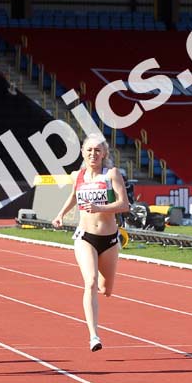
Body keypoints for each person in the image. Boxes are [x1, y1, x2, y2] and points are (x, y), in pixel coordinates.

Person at [52, 133, 129, 352]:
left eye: (97, 150)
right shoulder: (78, 174)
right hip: (85, 236)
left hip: (110, 239)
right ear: (83, 153)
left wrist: (101, 208)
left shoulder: (111, 174)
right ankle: (93, 336)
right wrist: (60, 214)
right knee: (91, 281)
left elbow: (124, 205)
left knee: (106, 289)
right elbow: (74, 196)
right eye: (89, 150)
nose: (93, 154)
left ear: (104, 153)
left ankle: (103, 292)